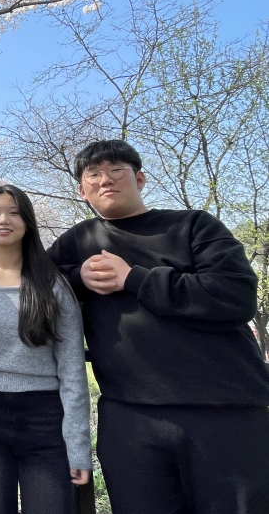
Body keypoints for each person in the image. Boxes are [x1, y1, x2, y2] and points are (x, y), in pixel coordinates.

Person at [48, 139, 269, 513]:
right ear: (82, 191)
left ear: (140, 178)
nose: (105, 179)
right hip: (129, 417)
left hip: (224, 410)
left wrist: (135, 279)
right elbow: (31, 284)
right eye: (93, 174)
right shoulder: (78, 240)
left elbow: (235, 296)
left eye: (116, 170)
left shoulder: (193, 225)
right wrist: (77, 278)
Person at [0, 185, 91, 514]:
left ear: (28, 222)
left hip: (46, 421)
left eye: (14, 212)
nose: (3, 220)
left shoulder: (54, 285)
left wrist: (78, 444)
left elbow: (71, 369)